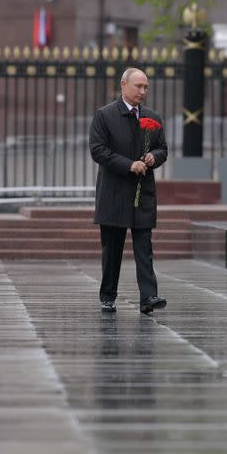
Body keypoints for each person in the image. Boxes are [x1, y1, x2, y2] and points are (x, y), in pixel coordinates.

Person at [89, 67, 168, 314]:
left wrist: (154, 158)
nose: (143, 91)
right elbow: (98, 150)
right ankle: (108, 295)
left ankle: (149, 297)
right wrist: (129, 164)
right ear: (124, 85)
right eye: (138, 86)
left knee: (144, 246)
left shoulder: (153, 118)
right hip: (114, 193)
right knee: (112, 248)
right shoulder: (105, 116)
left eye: (146, 87)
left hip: (141, 193)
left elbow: (163, 148)